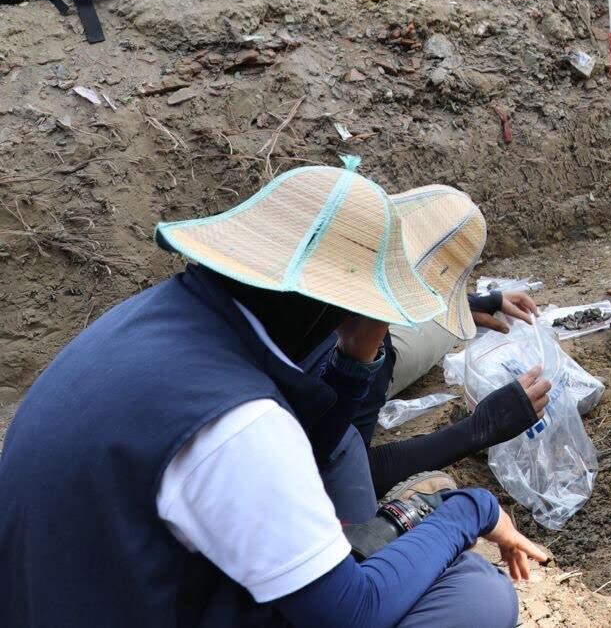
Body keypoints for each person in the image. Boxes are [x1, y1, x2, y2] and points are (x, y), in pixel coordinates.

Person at [0, 160, 546, 627]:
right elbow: (350, 613)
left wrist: (358, 360)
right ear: (355, 302)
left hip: (86, 592)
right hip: (139, 600)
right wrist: (465, 507)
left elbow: (315, 455)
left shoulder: (168, 317)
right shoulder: (241, 421)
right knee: (475, 596)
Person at [303, 185, 556, 506]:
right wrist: (480, 428)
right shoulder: (361, 348)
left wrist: (471, 303)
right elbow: (346, 469)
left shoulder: (301, 287)